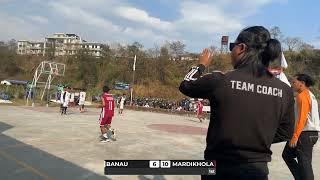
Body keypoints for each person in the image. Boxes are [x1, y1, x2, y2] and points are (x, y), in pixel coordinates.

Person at [179, 26, 295, 180]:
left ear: (241, 48)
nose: (231, 52)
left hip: (219, 167)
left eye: (231, 47)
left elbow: (186, 84)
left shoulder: (220, 80)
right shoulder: (285, 91)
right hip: (257, 170)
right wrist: (258, 138)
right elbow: (286, 132)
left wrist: (201, 65)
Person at [282, 73, 320, 180]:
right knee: (287, 155)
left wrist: (295, 136)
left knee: (305, 164)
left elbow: (301, 118)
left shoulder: (302, 96)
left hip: (304, 134)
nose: (291, 84)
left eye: (294, 82)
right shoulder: (310, 95)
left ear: (302, 83)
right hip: (310, 134)